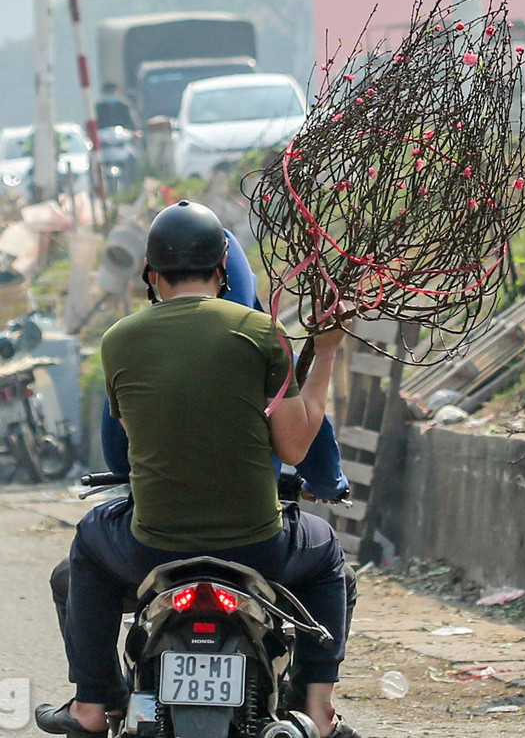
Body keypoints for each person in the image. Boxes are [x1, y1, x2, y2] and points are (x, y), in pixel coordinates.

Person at [36, 200, 357, 738]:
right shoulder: (262, 333)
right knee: (327, 557)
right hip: (257, 545)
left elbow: (124, 446)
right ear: (221, 272)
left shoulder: (119, 341)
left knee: (89, 540)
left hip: (153, 546)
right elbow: (297, 448)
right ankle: (320, 711)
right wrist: (324, 353)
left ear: (151, 275)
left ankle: (92, 707)